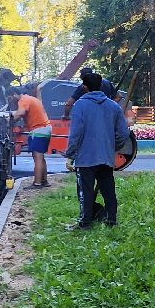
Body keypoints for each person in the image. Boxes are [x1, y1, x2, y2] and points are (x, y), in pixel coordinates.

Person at [65, 69, 131, 229]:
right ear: (101, 85)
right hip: (106, 156)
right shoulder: (113, 106)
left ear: (85, 87)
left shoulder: (80, 105)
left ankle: (85, 222)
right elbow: (124, 132)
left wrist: (70, 154)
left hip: (85, 157)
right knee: (108, 189)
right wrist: (112, 146)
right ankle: (111, 220)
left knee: (85, 191)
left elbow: (76, 132)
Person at [8, 85, 52, 187]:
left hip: (38, 130)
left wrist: (8, 118)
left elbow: (20, 113)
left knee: (37, 157)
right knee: (41, 156)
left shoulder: (23, 100)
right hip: (46, 128)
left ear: (14, 95)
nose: (10, 101)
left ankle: (37, 183)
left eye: (9, 98)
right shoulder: (31, 99)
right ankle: (44, 181)